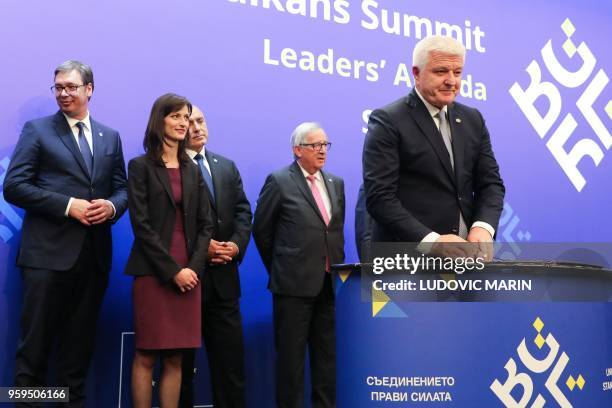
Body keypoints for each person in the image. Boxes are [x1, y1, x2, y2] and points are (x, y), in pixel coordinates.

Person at [3, 60, 128, 406]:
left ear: (89, 89)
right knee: (34, 353)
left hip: (92, 260)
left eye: (71, 87)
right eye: (58, 87)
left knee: (77, 354)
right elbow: (14, 186)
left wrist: (113, 207)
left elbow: (122, 188)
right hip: (46, 258)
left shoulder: (110, 136)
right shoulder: (38, 130)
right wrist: (67, 205)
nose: (64, 93)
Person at [363, 36, 505, 257]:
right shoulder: (388, 120)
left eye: (457, 73)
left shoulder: (473, 119)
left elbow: (491, 184)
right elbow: (380, 198)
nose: (451, 81)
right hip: (410, 266)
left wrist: (483, 227)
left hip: (468, 263)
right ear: (416, 73)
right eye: (441, 72)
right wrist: (433, 242)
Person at [124, 93, 213, 408]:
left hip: (190, 273)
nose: (183, 123)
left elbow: (206, 226)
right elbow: (141, 226)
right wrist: (173, 271)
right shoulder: (140, 167)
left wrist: (193, 269)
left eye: (186, 117)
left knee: (177, 358)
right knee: (147, 353)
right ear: (159, 119)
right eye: (175, 116)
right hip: (154, 271)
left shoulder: (194, 170)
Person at [253, 122, 345, 408]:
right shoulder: (280, 181)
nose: (322, 151)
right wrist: (283, 268)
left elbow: (334, 230)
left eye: (325, 145)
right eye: (315, 145)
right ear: (297, 149)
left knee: (326, 362)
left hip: (328, 287)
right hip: (292, 288)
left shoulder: (335, 183)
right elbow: (262, 231)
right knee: (291, 365)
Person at [179, 105, 252, 408]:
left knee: (230, 369)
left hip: (224, 283)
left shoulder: (226, 166)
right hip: (185, 282)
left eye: (200, 120)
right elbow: (167, 221)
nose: (196, 127)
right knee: (181, 371)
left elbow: (243, 212)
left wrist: (235, 246)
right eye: (189, 122)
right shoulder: (169, 167)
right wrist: (201, 247)